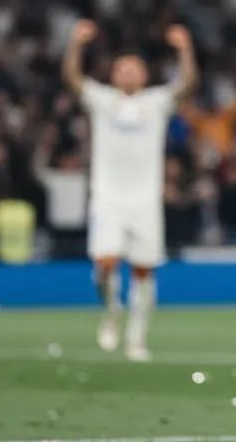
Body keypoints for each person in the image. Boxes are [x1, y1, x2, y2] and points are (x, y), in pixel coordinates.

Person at [62, 20, 198, 361]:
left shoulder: (156, 102)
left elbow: (188, 84)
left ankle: (137, 339)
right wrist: (76, 44)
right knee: (105, 263)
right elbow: (72, 79)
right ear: (113, 75)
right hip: (107, 196)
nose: (128, 73)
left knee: (142, 269)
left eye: (134, 68)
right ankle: (111, 310)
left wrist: (184, 49)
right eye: (122, 68)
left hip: (144, 199)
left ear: (144, 75)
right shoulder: (102, 100)